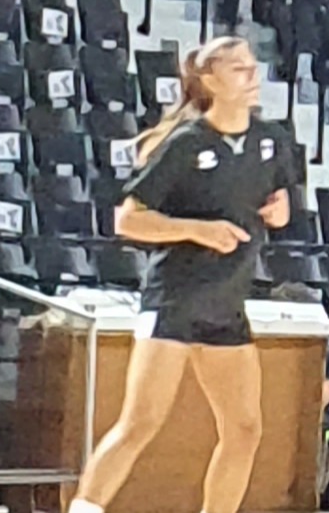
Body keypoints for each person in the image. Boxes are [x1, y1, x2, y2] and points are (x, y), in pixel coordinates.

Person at [67, 37, 302, 513]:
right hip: (174, 299)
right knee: (141, 423)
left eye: (253, 66)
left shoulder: (272, 139)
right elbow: (128, 220)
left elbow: (280, 204)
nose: (251, 75)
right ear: (210, 81)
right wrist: (197, 229)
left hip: (226, 303)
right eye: (238, 68)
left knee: (244, 428)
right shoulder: (185, 144)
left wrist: (280, 212)